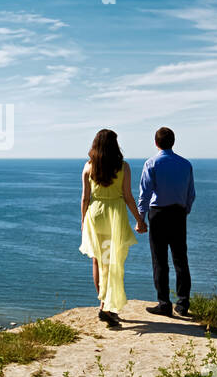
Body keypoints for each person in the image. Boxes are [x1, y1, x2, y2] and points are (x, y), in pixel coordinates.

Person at [79, 129, 146, 326]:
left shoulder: (89, 166)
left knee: (98, 260)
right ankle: (105, 307)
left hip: (95, 214)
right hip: (114, 215)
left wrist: (83, 221)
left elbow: (85, 198)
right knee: (113, 261)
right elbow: (128, 196)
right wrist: (139, 220)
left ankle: (103, 304)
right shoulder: (123, 167)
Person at [137, 126, 195, 318]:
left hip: (158, 214)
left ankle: (164, 303)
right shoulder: (186, 164)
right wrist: (184, 211)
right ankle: (183, 302)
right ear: (173, 142)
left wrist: (141, 219)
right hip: (178, 214)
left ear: (156, 143)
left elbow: (144, 194)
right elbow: (191, 194)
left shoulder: (151, 164)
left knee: (159, 260)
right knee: (180, 258)